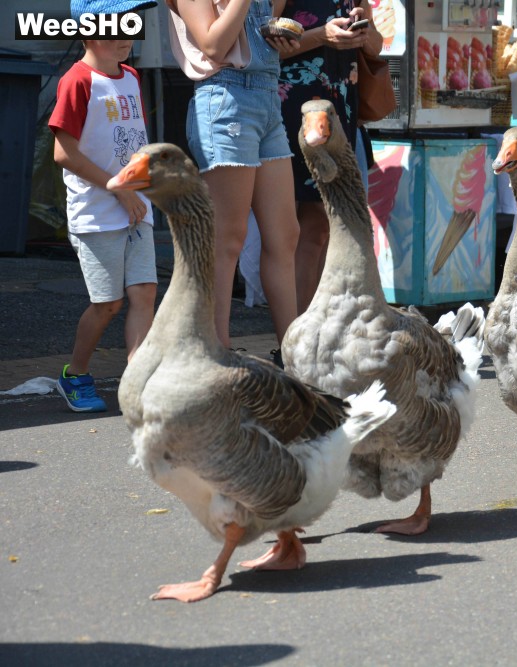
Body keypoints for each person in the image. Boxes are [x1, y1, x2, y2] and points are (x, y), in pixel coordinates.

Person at [165, 0, 299, 360]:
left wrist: (277, 33)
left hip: (266, 93)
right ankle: (215, 352)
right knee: (227, 236)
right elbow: (212, 45)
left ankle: (294, 353)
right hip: (225, 96)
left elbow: (268, 18)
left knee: (285, 234)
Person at [48, 0, 161, 413]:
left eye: (132, 23)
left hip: (137, 208)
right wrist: (119, 188)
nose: (128, 33)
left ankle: (138, 379)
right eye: (118, 25)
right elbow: (63, 154)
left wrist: (143, 191)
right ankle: (75, 373)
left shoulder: (131, 76)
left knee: (145, 293)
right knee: (107, 304)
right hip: (97, 214)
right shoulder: (76, 81)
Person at [269, 0, 381, 314]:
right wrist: (321, 36)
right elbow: (261, 50)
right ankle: (291, 329)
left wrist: (363, 32)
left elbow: (375, 46)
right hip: (294, 106)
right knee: (291, 225)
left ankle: (312, 322)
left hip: (339, 105)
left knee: (322, 222)